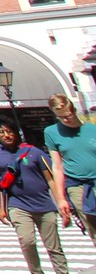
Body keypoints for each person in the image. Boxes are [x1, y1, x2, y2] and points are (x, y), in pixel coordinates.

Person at [0, 119, 78, 274]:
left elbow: (50, 178)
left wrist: (60, 201)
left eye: (10, 131)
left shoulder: (33, 151)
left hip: (44, 205)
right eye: (2, 132)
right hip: (18, 205)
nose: (7, 135)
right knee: (27, 242)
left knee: (54, 246)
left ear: (16, 132)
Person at [44, 92, 96, 240]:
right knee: (93, 228)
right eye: (61, 117)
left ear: (73, 110)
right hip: (77, 185)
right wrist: (61, 198)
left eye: (68, 115)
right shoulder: (51, 132)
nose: (66, 120)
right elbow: (57, 167)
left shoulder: (92, 129)